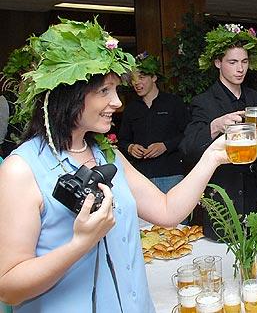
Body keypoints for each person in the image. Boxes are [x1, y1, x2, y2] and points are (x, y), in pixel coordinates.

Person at [0, 19, 229, 312]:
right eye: (105, 91)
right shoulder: (21, 169)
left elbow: (168, 210)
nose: (118, 103)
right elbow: (9, 287)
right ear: (69, 92)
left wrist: (213, 156)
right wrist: (80, 243)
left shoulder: (108, 155)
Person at [179, 23, 257, 241]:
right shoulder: (203, 102)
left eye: (244, 62)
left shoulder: (255, 98)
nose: (240, 69)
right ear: (218, 63)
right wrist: (215, 126)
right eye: (233, 62)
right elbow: (187, 148)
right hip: (223, 197)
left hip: (256, 196)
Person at [118, 52, 188, 193]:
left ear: (154, 77)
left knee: (176, 215)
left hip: (171, 174)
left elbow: (188, 134)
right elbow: (122, 140)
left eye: (142, 77)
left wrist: (165, 146)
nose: (136, 83)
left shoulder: (173, 103)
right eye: (133, 79)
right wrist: (130, 147)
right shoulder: (131, 108)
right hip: (140, 176)